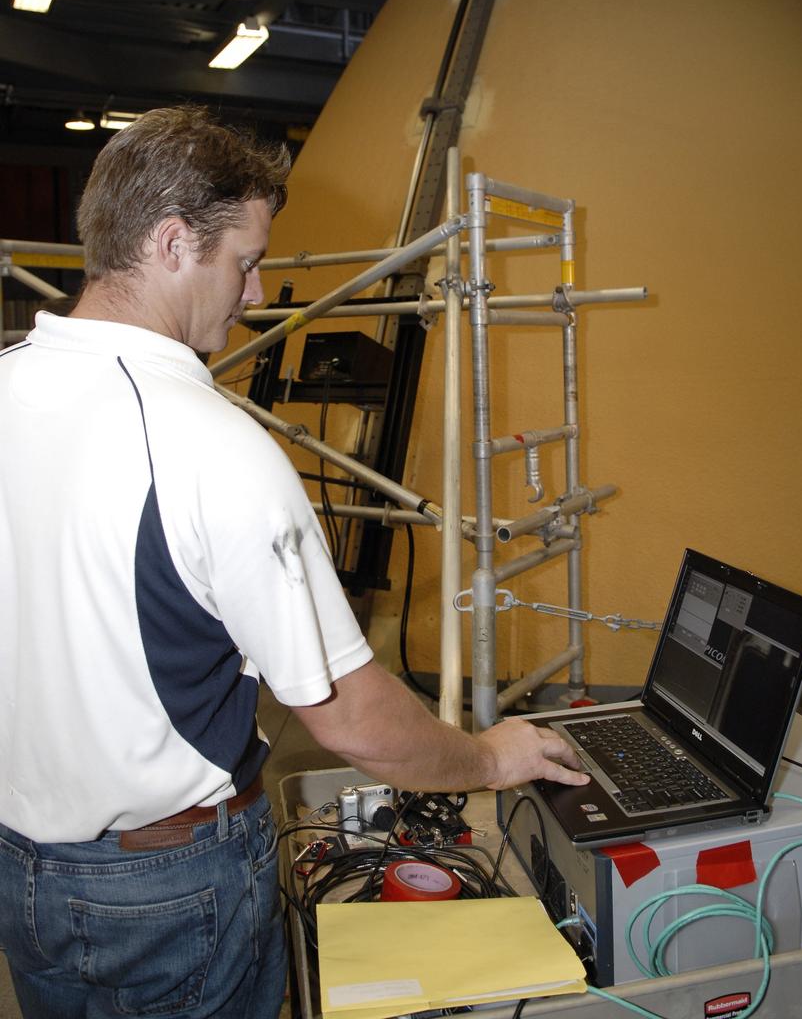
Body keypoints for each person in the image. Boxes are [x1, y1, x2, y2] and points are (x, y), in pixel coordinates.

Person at [0, 105, 588, 1019]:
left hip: (23, 873)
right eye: (245, 260)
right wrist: (486, 757)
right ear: (169, 243)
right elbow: (349, 716)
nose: (261, 291)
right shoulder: (208, 443)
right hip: (169, 893)